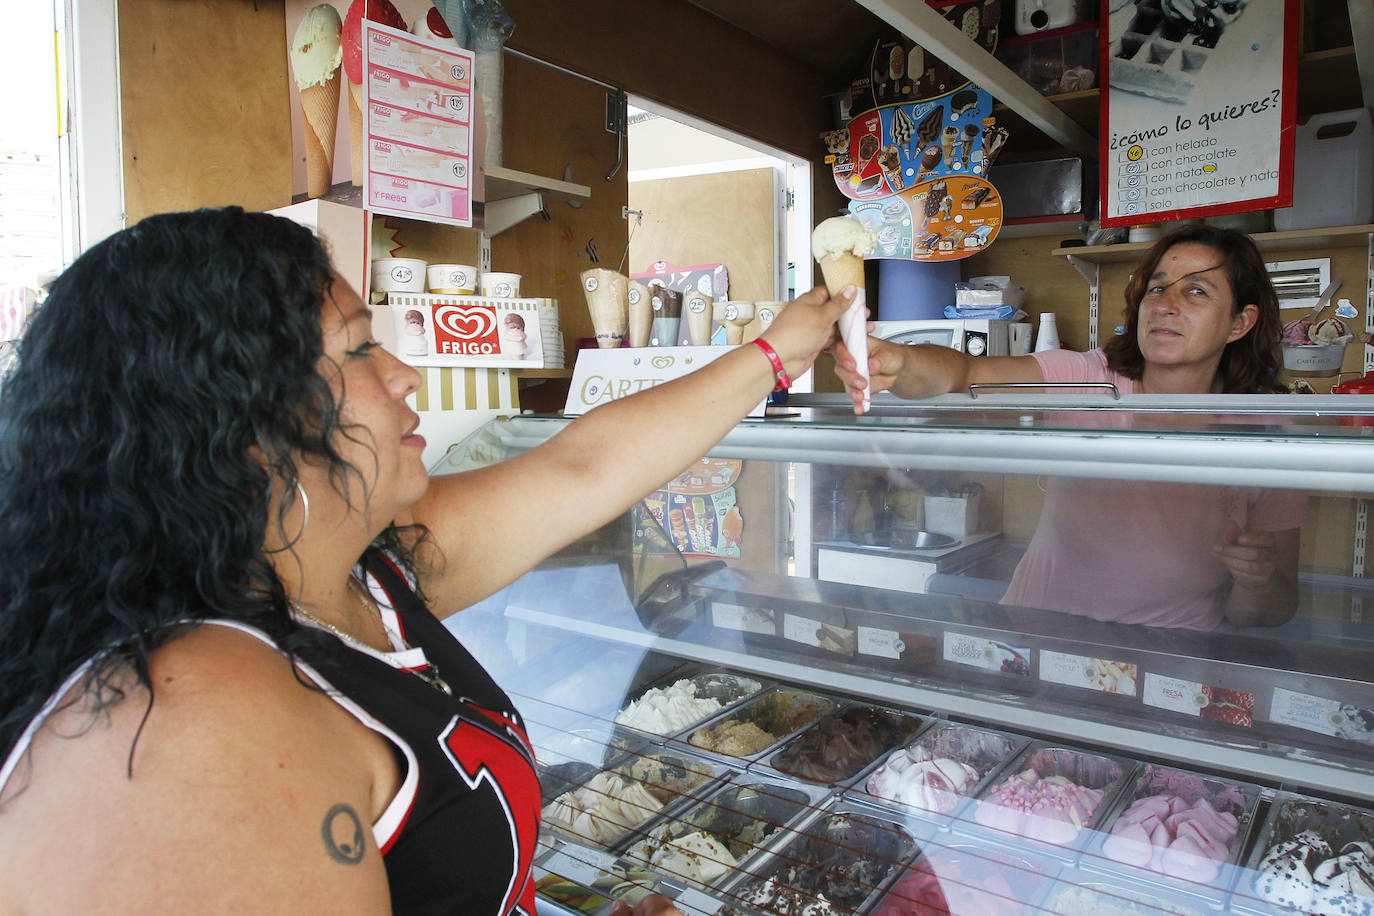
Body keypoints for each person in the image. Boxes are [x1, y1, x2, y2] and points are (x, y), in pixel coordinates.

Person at [0, 207, 853, 913]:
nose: (406, 375)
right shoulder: (193, 729)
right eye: (361, 349)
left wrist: (780, 352)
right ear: (244, 425)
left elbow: (580, 467)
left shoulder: (364, 572)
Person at [834, 224, 1307, 630]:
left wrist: (1256, 579)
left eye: (1197, 290)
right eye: (1157, 287)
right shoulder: (1088, 379)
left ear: (1239, 323)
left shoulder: (1264, 428)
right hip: (1037, 638)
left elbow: (1270, 611)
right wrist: (899, 361)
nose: (1166, 303)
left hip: (1170, 662)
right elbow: (964, 375)